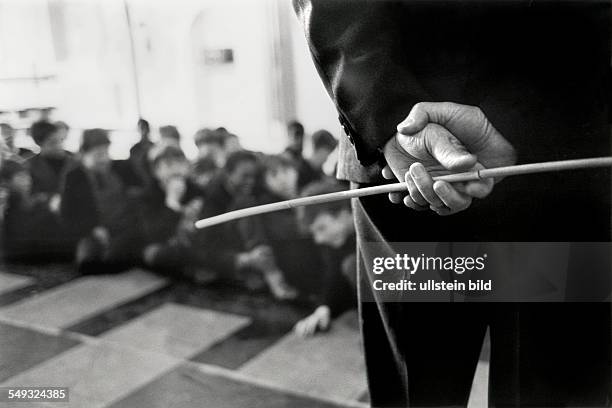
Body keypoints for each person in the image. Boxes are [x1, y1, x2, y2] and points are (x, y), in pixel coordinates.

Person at [293, 1, 611, 406]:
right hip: (412, 164)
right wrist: (388, 117)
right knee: (419, 390)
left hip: (568, 159)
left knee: (557, 385)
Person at [61, 129, 135, 274]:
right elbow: (67, 215)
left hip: (124, 228)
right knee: (88, 262)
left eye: (106, 153)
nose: (104, 159)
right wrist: (92, 229)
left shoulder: (120, 168)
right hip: (93, 233)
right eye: (97, 155)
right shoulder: (74, 177)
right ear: (83, 154)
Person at [133, 145, 209, 281]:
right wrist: (172, 203)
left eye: (180, 163)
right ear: (156, 171)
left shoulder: (197, 191)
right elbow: (153, 234)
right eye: (168, 165)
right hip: (162, 246)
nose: (175, 170)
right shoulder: (146, 196)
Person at [293, 180, 356, 337]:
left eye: (321, 228)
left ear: (343, 213)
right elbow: (333, 276)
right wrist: (324, 307)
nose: (318, 239)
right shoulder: (335, 243)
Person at [0, 160, 70, 262]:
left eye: (27, 176)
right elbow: (21, 230)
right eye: (20, 177)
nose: (27, 181)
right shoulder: (8, 202)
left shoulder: (35, 199)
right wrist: (50, 210)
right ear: (6, 182)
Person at [26, 120, 74, 199]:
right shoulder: (30, 166)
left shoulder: (74, 161)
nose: (59, 146)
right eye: (52, 143)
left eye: (61, 140)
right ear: (39, 143)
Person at [283, 120, 319, 189]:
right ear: (288, 135)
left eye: (300, 135)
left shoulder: (305, 163)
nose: (298, 139)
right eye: (295, 135)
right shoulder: (283, 161)